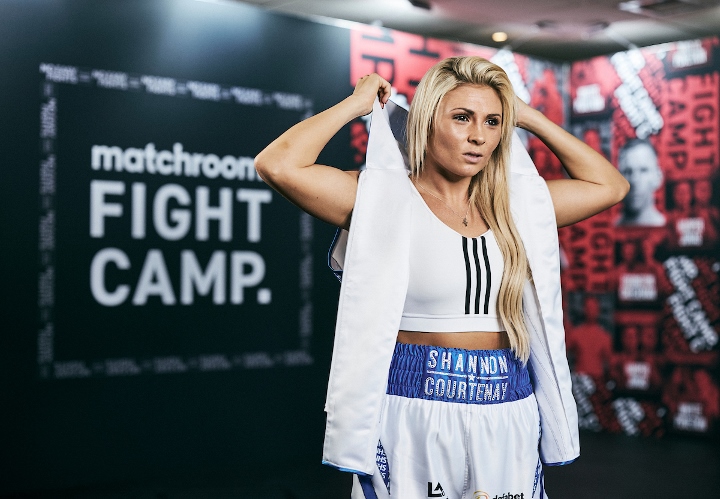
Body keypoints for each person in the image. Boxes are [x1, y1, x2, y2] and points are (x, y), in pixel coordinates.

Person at [255, 57, 628, 498]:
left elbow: (610, 186)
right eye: (462, 117)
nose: (479, 136)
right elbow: (277, 165)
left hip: (509, 402)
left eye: (493, 121)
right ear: (427, 120)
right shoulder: (379, 197)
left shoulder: (517, 207)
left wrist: (529, 117)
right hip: (413, 402)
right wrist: (356, 105)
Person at [616, 138, 666, 227]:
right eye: (628, 171)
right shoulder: (608, 229)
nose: (634, 180)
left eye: (643, 170)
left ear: (658, 178)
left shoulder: (669, 229)